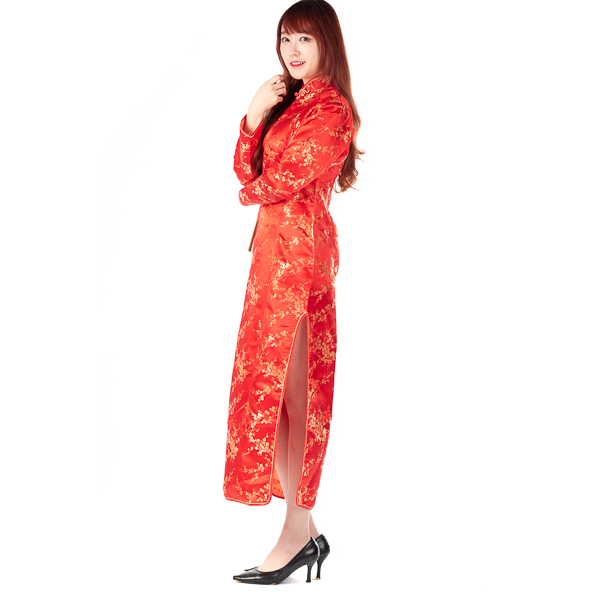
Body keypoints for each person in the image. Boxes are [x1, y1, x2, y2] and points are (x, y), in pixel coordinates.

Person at [223, 0, 363, 585]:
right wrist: (253, 115)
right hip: (269, 264)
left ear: (327, 42)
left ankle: (295, 533)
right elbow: (246, 172)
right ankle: (305, 533)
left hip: (300, 264)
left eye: (305, 38)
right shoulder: (289, 104)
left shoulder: (332, 110)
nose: (293, 50)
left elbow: (274, 181)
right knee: (276, 396)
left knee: (300, 398)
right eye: (286, 39)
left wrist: (250, 183)